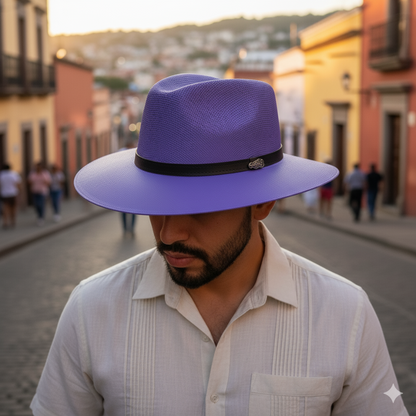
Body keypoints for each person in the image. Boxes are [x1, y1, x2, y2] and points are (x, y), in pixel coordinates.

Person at [31, 74, 408, 415]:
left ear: (261, 203)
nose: (168, 234)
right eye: (156, 207)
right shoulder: (91, 309)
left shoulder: (344, 314)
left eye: (200, 209)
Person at [118, 140, 138, 236]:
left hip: (131, 189)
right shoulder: (122, 154)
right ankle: (126, 229)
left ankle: (131, 229)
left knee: (133, 211)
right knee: (124, 211)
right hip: (125, 189)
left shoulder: (135, 154)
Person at [28, 162, 51, 226]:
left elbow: (48, 182)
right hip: (35, 191)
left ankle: (41, 217)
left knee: (41, 204)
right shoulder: (33, 173)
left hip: (42, 191)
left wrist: (42, 177)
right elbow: (29, 181)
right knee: (36, 205)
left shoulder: (45, 173)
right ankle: (39, 216)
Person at [0, 163, 21, 229]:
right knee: (13, 208)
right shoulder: (14, 174)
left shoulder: (1, 175)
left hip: (5, 194)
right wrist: (20, 192)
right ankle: (13, 222)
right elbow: (18, 184)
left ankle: (5, 222)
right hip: (13, 193)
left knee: (5, 208)